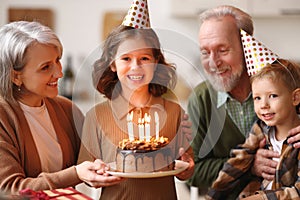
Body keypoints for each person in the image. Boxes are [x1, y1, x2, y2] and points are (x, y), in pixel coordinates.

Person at [187, 5, 300, 198]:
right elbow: (193, 172)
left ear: (244, 47)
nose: (213, 62)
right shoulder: (201, 99)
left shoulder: (286, 84)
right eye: (205, 53)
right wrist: (248, 165)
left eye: (222, 50)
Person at [0, 20, 123, 195]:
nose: (59, 73)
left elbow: (98, 159)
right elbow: (9, 190)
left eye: (57, 61)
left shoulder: (65, 109)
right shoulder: (3, 117)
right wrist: (75, 174)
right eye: (45, 67)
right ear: (15, 76)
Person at [77, 24, 195, 200]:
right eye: (126, 58)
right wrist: (94, 174)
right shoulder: (96, 116)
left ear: (156, 63)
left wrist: (187, 168)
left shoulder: (174, 112)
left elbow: (185, 169)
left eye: (145, 58)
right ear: (112, 64)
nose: (135, 67)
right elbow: (86, 172)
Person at [206, 58, 300, 199]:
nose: (263, 105)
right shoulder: (260, 129)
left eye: (273, 96)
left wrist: (261, 198)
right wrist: (213, 196)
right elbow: (237, 163)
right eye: (257, 98)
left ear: (295, 98)